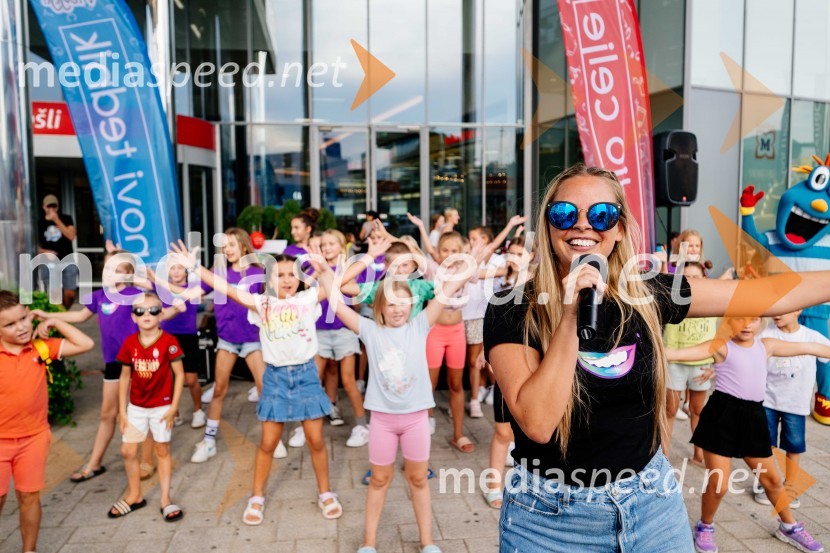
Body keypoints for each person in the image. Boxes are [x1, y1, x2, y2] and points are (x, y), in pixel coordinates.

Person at [484, 163, 830, 553]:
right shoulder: (511, 307)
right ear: (548, 226)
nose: (582, 225)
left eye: (601, 215)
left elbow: (768, 293)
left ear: (617, 230)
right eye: (564, 213)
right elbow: (538, 423)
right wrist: (568, 317)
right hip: (551, 521)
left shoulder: (648, 294)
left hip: (651, 505)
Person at [169, 242, 344, 524]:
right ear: (268, 280)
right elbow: (225, 287)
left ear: (299, 278)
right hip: (275, 378)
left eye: (291, 274)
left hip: (307, 376)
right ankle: (257, 496)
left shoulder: (307, 299)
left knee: (315, 440)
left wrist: (325, 269)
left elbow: (338, 284)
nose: (286, 279)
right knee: (267, 443)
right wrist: (194, 267)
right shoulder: (262, 303)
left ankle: (325, 493)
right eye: (279, 274)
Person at [323, 242, 475, 553]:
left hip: (416, 419)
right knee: (379, 480)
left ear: (412, 304)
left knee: (418, 479)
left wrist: (469, 261)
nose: (396, 309)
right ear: (379, 306)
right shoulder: (368, 329)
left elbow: (450, 287)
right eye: (389, 303)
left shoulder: (420, 325)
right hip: (382, 420)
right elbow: (335, 300)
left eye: (402, 303)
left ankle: (427, 542)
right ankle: (368, 543)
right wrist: (337, 270)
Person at [667, 317, 826, 553]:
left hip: (753, 418)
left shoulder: (766, 345)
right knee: (719, 484)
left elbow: (810, 347)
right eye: (739, 318)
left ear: (760, 322)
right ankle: (705, 526)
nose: (746, 324)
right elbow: (675, 353)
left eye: (753, 319)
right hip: (722, 417)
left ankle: (788, 526)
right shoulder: (721, 346)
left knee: (772, 480)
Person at [34, 246, 146, 483]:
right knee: (108, 413)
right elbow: (79, 316)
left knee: (141, 412)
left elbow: (155, 293)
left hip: (139, 362)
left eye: (117, 270)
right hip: (114, 363)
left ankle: (147, 460)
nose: (109, 273)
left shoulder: (136, 294)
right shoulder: (98, 296)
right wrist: (47, 315)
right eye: (107, 268)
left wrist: (135, 277)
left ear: (128, 273)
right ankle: (94, 463)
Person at [0, 291, 93, 553]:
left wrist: (54, 321)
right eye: (9, 324)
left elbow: (85, 344)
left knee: (29, 497)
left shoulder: (41, 347)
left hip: (33, 438)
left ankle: (29, 550)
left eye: (23, 319)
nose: (20, 327)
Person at [166, 229, 270, 463]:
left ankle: (270, 439)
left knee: (265, 390)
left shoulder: (258, 273)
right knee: (219, 390)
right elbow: (192, 292)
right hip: (227, 340)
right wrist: (157, 283)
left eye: (233, 244)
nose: (229, 249)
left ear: (244, 246)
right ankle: (209, 441)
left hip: (254, 340)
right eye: (225, 246)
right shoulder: (218, 272)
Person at [289, 229, 368, 450]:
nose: (327, 247)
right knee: (312, 378)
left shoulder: (349, 270)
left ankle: (362, 426)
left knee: (348, 379)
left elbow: (358, 300)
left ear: (342, 245)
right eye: (323, 244)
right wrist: (316, 270)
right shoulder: (313, 269)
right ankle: (302, 427)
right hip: (318, 331)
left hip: (344, 331)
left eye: (332, 243)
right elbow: (300, 291)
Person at [109, 293, 185, 522]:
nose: (146, 315)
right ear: (133, 317)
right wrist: (122, 411)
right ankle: (135, 495)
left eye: (153, 310)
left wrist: (173, 406)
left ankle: (165, 498)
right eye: (140, 311)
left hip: (161, 408)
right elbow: (124, 378)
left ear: (161, 314)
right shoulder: (130, 343)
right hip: (137, 408)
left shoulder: (169, 342)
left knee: (162, 450)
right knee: (128, 451)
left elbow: (179, 375)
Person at [755, 310, 830, 508]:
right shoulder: (765, 334)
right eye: (774, 310)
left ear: (798, 309)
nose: (776, 314)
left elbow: (826, 355)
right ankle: (766, 483)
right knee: (765, 445)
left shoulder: (811, 336)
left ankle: (790, 486)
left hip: (796, 404)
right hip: (767, 401)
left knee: (794, 446)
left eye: (784, 309)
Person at [463, 219, 525, 418]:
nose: (514, 258)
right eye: (511, 254)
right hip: (501, 331)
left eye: (519, 254)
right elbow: (472, 275)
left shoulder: (534, 277)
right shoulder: (501, 274)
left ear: (530, 256)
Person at [662, 261, 717, 465]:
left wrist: (716, 368)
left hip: (701, 366)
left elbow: (725, 337)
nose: (692, 281)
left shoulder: (713, 303)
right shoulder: (672, 300)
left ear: (705, 279)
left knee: (697, 411)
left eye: (696, 276)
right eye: (687, 277)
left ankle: (699, 453)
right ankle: (664, 457)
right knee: (669, 410)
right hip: (675, 362)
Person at [37, 194, 78, 310]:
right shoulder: (39, 223)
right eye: (49, 206)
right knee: (54, 294)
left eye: (54, 206)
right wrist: (44, 251)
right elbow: (33, 245)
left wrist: (56, 220)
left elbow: (71, 236)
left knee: (70, 294)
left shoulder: (66, 219)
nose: (51, 209)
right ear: (44, 207)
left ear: (58, 207)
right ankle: (60, 318)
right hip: (49, 262)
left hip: (67, 259)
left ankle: (63, 313)